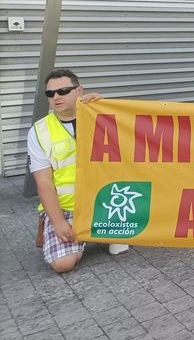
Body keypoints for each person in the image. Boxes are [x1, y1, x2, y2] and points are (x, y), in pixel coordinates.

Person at [28, 69, 129, 273]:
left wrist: (105, 106)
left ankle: (92, 232)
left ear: (79, 90)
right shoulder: (39, 131)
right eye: (51, 93)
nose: (56, 97)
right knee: (62, 264)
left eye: (63, 91)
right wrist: (58, 222)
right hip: (67, 208)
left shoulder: (101, 117)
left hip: (104, 202)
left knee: (121, 249)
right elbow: (44, 182)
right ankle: (52, 225)